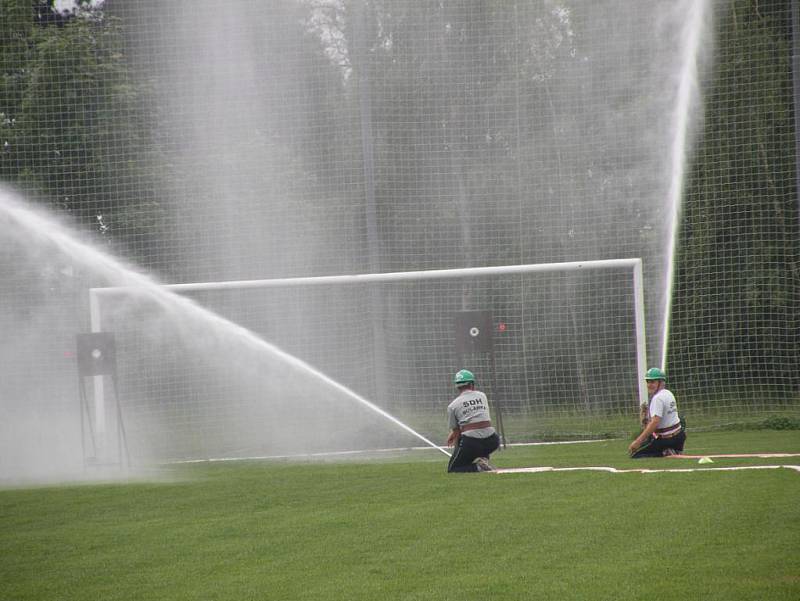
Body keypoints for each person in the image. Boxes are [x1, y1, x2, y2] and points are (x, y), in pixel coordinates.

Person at [446, 369, 500, 472]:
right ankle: (483, 458)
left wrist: (457, 452)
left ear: (457, 386)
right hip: (492, 441)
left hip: (471, 443)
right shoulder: (482, 396)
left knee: (453, 468)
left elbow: (457, 433)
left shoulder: (452, 406)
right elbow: (477, 418)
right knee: (477, 447)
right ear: (472, 384)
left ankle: (479, 467)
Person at [628, 367, 686, 458]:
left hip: (668, 439)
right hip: (679, 436)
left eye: (653, 382)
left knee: (636, 456)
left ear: (661, 383)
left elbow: (655, 422)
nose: (649, 385)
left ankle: (666, 452)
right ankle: (673, 449)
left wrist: (638, 442)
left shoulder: (657, 398)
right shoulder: (668, 393)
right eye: (648, 382)